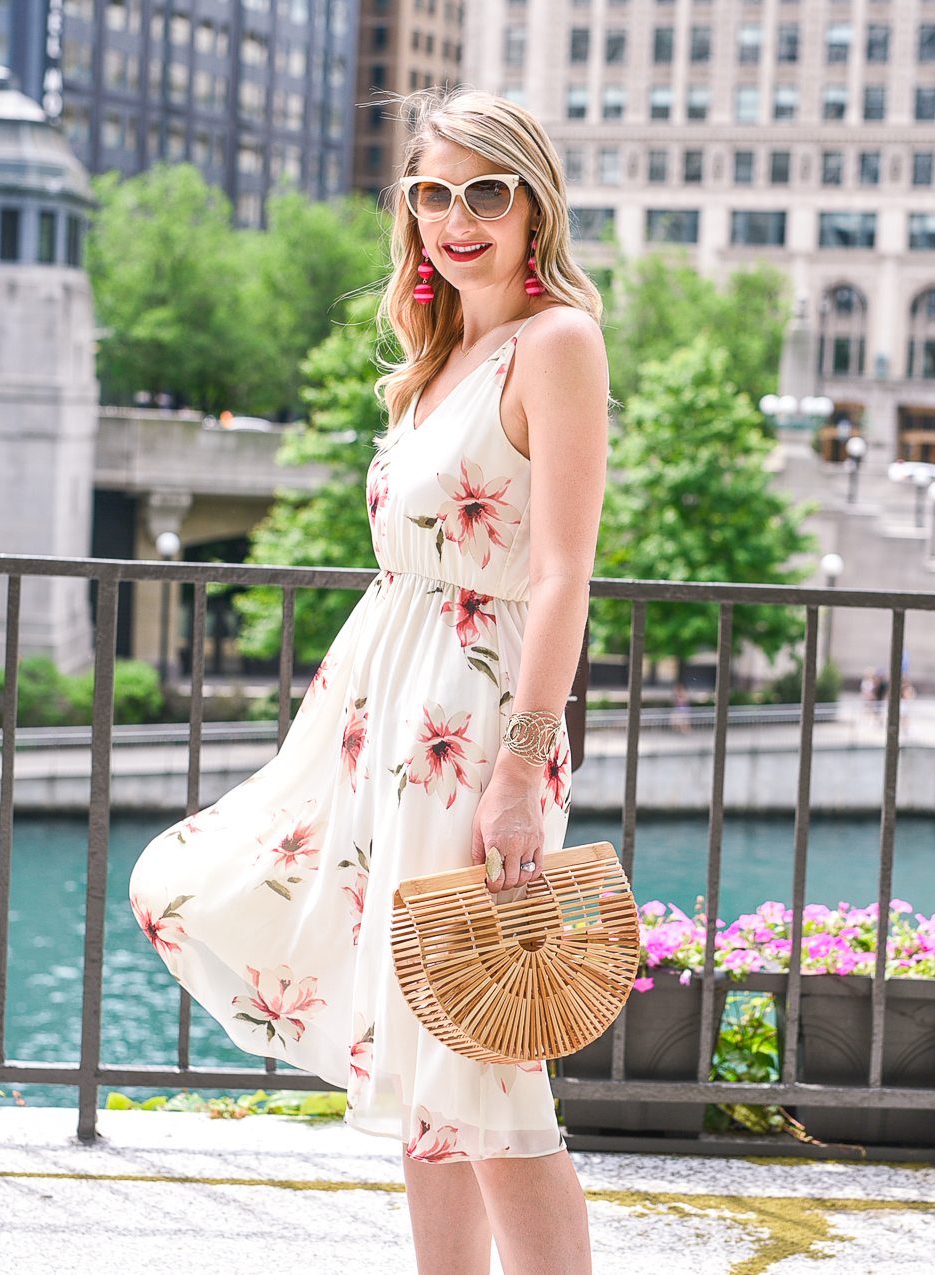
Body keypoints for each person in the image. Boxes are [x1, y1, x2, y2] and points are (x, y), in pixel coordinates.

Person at [129, 87, 608, 1275]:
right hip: (380, 716)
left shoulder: (557, 343)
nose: (458, 219)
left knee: (486, 1061)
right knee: (411, 1037)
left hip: (476, 719)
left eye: (485, 193)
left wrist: (516, 769)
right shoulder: (440, 358)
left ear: (533, 207)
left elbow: (560, 578)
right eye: (433, 194)